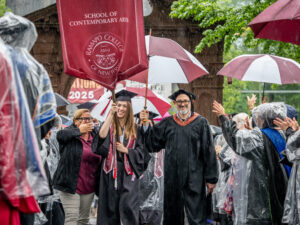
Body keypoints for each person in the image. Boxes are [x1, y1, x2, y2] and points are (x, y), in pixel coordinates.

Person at [141, 89, 218, 225]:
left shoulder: (201, 123)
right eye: (179, 102)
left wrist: (211, 178)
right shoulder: (168, 123)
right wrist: (146, 124)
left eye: (185, 101)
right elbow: (152, 143)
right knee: (172, 213)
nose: (183, 104)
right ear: (175, 103)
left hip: (195, 176)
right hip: (173, 176)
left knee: (196, 214)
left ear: (191, 102)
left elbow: (209, 151)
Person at [212, 101, 288, 225]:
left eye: (257, 117)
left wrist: (223, 117)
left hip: (261, 201)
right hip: (278, 192)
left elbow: (234, 138)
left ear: (264, 119)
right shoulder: (280, 134)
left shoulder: (259, 138)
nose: (255, 119)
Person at [94, 90, 146, 225]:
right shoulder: (109, 125)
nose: (121, 108)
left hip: (129, 173)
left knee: (128, 207)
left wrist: (127, 150)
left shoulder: (136, 129)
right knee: (109, 209)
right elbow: (100, 138)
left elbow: (143, 153)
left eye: (124, 106)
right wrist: (110, 116)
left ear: (129, 109)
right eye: (119, 105)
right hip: (110, 172)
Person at [53, 109, 103, 225]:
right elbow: (60, 136)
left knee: (83, 220)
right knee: (72, 218)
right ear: (76, 121)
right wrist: (78, 131)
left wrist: (98, 126)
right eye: (84, 118)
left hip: (89, 186)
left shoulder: (95, 136)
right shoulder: (69, 134)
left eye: (89, 118)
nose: (87, 121)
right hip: (69, 185)